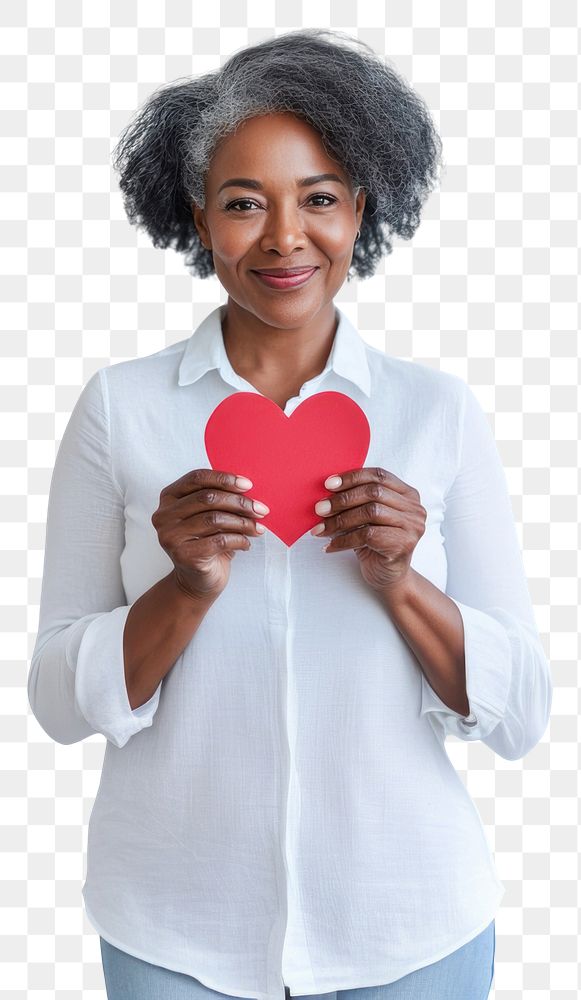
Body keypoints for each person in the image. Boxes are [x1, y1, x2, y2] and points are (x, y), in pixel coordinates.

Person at [27, 28, 552, 1000]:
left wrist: (399, 582)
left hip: (408, 923)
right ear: (197, 220)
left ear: (359, 209)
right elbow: (57, 700)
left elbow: (520, 713)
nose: (282, 236)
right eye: (242, 204)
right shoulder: (121, 407)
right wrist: (183, 588)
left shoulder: (433, 412)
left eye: (316, 198)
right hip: (172, 924)